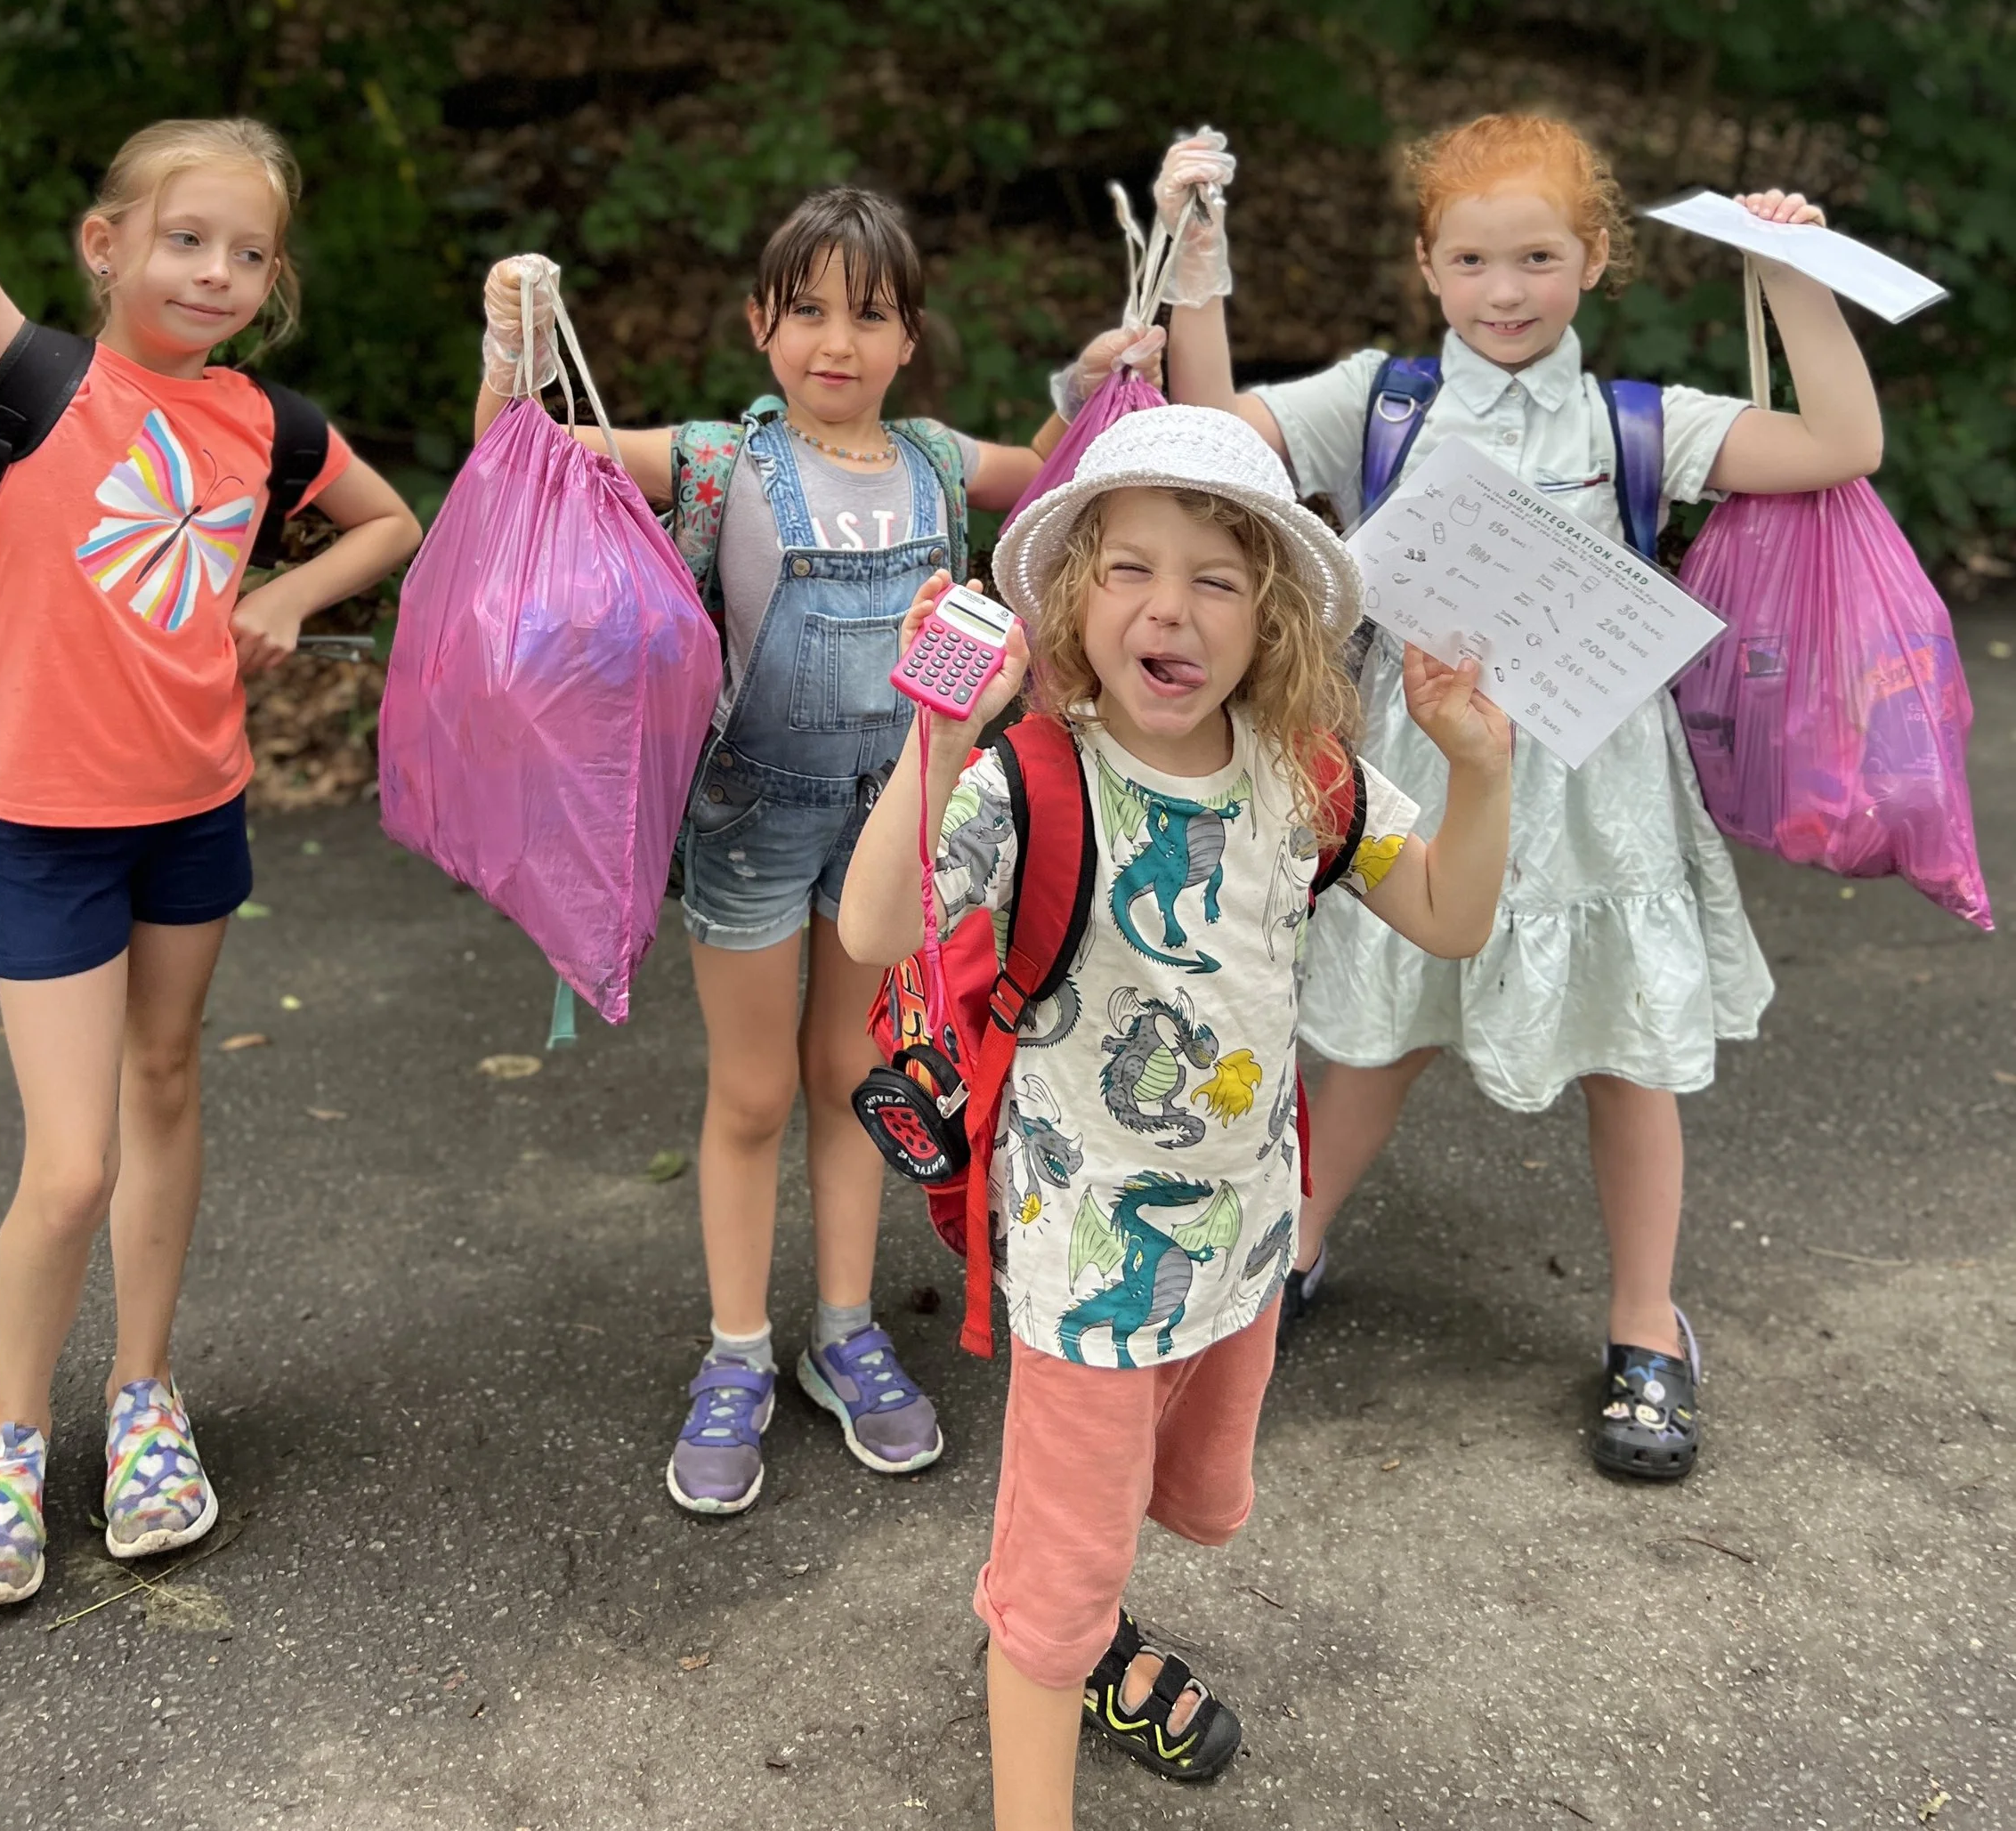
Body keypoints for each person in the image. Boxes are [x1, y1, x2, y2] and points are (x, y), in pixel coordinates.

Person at [0, 0, 422, 1610]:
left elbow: (388, 524)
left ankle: (146, 1398)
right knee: (66, 1158)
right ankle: (4, 1433)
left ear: (270, 283)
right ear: (106, 242)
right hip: (53, 829)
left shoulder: (264, 422)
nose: (211, 274)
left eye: (244, 256)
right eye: (183, 240)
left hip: (195, 816)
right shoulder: (37, 383)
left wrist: (288, 597)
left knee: (166, 1090)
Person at [1161, 109, 1884, 1479]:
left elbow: (1842, 443)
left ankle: (1645, 1328)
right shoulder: (1383, 400)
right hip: (1422, 773)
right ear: (1428, 266)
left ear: (1596, 260)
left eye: (1540, 258)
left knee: (1626, 1053)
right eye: (1477, 260)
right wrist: (1199, 255)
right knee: (1377, 1032)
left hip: (1598, 793)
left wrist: (1790, 273)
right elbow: (1213, 433)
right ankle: (1293, 1251)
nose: (1507, 291)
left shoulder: (1636, 425)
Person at [838, 404, 1512, 1824]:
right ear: (1074, 601)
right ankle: (1055, 1666)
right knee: (1053, 1585)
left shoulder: (1309, 772)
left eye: (1216, 579)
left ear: (1270, 621)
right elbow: (873, 926)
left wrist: (1484, 771)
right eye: (1131, 569)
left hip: (1242, 1243)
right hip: (1091, 1263)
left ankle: (1087, 1630)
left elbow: (1449, 916)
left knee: (1137, 1505)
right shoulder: (1029, 781)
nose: (1171, 608)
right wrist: (938, 732)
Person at [475, 191, 1057, 1514]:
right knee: (749, 1096)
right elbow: (522, 463)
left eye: (870, 313)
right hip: (746, 822)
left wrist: (1110, 380)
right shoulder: (714, 460)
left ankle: (843, 1331)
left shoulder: (936, 458)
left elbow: (1066, 475)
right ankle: (737, 1350)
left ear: (911, 337)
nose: (835, 341)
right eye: (806, 311)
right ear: (759, 324)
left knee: (853, 1077)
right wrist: (508, 346)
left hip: (886, 830)